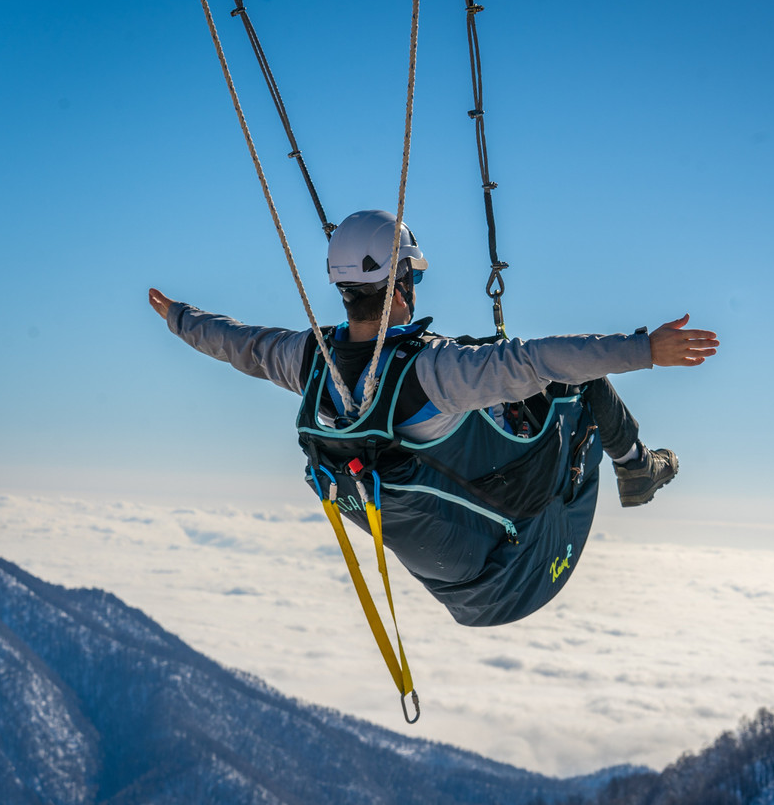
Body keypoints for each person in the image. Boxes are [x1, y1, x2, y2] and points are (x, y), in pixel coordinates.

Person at [149, 209, 719, 626]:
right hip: (521, 550)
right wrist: (646, 349)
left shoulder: (309, 362)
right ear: (400, 286)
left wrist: (180, 318)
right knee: (577, 380)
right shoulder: (435, 371)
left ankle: (630, 464)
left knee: (496, 369)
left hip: (455, 584)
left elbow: (242, 345)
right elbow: (540, 360)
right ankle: (637, 467)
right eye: (413, 278)